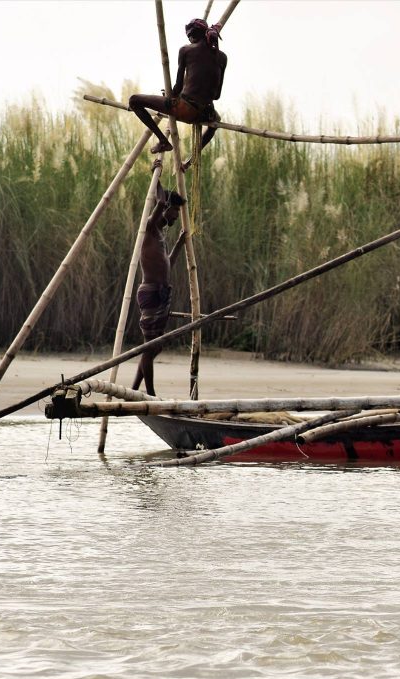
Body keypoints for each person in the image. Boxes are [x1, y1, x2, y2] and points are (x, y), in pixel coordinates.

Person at [128, 18, 228, 157]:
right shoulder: (223, 57)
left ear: (192, 35)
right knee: (216, 123)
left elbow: (177, 87)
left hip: (186, 110)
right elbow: (216, 95)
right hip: (207, 114)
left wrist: (169, 97)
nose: (189, 40)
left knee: (134, 100)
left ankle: (163, 141)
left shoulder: (186, 50)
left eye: (189, 37)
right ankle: (192, 158)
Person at [132, 160, 186, 397]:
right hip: (151, 292)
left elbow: (168, 265)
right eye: (175, 213)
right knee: (151, 345)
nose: (175, 218)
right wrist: (157, 173)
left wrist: (180, 244)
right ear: (166, 210)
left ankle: (134, 389)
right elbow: (161, 201)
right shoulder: (151, 228)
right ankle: (150, 393)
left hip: (161, 292)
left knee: (155, 345)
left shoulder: (161, 236)